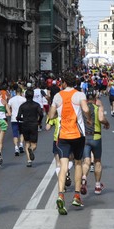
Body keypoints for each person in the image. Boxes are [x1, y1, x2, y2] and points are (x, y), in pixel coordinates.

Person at [47, 72, 90, 214]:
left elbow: (51, 115)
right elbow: (85, 109)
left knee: (63, 165)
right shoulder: (79, 95)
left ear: (64, 82)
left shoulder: (58, 96)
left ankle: (60, 195)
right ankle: (77, 196)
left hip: (63, 134)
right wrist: (88, 119)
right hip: (78, 134)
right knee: (78, 163)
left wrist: (57, 113)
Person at [81, 93, 110, 195]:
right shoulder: (97, 107)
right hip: (96, 137)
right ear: (94, 99)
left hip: (85, 137)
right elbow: (101, 119)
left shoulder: (82, 109)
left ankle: (84, 177)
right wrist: (107, 124)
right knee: (97, 161)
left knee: (86, 161)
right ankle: (97, 186)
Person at [17, 89, 43, 167]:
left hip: (25, 125)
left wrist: (22, 119)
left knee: (27, 143)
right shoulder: (36, 105)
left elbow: (18, 117)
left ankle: (29, 160)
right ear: (33, 95)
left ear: (25, 96)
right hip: (34, 124)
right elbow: (41, 114)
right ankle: (31, 150)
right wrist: (39, 121)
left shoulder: (22, 106)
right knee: (34, 144)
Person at [8, 87, 27, 156]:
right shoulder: (24, 99)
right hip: (22, 118)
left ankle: (16, 147)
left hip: (14, 118)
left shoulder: (11, 99)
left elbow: (8, 106)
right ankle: (21, 144)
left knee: (15, 134)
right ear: (21, 92)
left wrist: (9, 112)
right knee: (22, 132)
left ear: (15, 92)